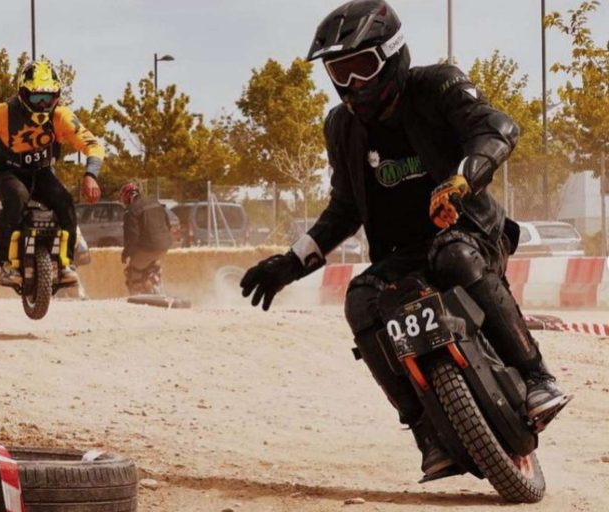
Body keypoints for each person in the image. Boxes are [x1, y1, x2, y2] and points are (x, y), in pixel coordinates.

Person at [240, 0, 569, 479]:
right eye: (340, 72)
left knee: (454, 254)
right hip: (404, 256)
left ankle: (537, 376)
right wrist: (290, 263)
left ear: (392, 55)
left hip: (471, 231)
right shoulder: (341, 127)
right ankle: (425, 432)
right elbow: (344, 209)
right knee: (360, 299)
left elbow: (497, 128)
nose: (353, 84)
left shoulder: (439, 85)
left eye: (362, 67)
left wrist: (463, 180)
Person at [0, 59, 104, 286]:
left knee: (64, 201)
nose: (43, 105)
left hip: (40, 172)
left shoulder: (62, 116)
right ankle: (5, 262)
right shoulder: (1, 114)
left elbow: (92, 144)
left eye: (48, 98)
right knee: (17, 197)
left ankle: (66, 263)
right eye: (37, 98)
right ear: (23, 94)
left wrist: (91, 174)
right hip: (3, 171)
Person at [119, 183, 173, 295]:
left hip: (148, 248)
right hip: (165, 245)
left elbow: (132, 237)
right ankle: (156, 283)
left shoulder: (131, 211)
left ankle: (137, 294)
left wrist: (126, 253)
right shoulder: (155, 202)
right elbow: (168, 225)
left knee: (133, 271)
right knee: (150, 264)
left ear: (128, 196)